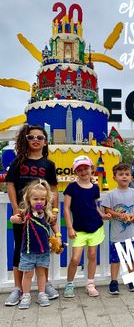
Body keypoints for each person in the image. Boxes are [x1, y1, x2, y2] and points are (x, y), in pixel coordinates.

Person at [5, 124, 59, 306]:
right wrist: (15, 208)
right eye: (31, 137)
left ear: (45, 142)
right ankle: (18, 288)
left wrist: (54, 210)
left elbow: (53, 189)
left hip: (42, 215)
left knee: (42, 247)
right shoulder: (18, 161)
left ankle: (45, 286)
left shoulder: (49, 165)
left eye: (39, 137)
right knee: (19, 248)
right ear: (25, 140)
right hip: (23, 214)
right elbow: (10, 184)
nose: (35, 140)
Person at [63, 155, 111, 298]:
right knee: (75, 259)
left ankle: (90, 284)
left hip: (95, 226)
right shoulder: (71, 187)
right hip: (78, 229)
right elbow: (66, 209)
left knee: (92, 255)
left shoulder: (95, 188)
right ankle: (69, 284)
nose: (83, 172)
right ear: (75, 172)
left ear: (92, 169)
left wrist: (102, 214)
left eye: (86, 168)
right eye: (80, 169)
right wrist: (70, 228)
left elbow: (94, 205)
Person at [10, 180, 62, 309]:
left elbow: (54, 225)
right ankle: (26, 294)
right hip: (27, 251)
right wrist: (13, 219)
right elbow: (14, 218)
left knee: (41, 273)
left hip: (43, 251)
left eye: (42, 199)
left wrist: (58, 236)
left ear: (46, 200)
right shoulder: (24, 213)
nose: (39, 202)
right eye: (35, 199)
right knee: (27, 274)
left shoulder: (47, 214)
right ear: (28, 199)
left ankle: (42, 293)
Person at [102, 163, 134, 294]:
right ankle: (114, 281)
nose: (124, 177)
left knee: (131, 258)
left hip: (132, 234)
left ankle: (132, 279)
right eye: (120, 174)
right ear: (114, 177)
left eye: (127, 174)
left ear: (131, 177)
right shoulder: (111, 194)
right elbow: (107, 209)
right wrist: (120, 215)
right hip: (116, 235)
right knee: (116, 260)